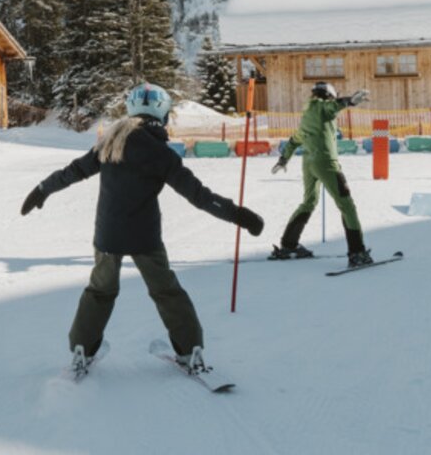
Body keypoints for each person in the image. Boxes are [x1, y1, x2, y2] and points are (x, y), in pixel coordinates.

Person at [20, 82, 264, 375]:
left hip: (107, 235)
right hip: (144, 237)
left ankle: (82, 350)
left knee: (99, 291)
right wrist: (239, 215)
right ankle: (190, 350)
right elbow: (199, 196)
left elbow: (73, 172)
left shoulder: (111, 143)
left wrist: (42, 189)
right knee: (166, 291)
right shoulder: (162, 154)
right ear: (162, 114)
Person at [270, 81, 370, 267]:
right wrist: (351, 101)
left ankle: (289, 245)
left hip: (309, 163)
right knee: (346, 204)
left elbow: (294, 139)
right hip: (325, 162)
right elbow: (335, 105)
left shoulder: (307, 113)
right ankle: (357, 253)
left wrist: (284, 159)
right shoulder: (323, 108)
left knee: (308, 202)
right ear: (329, 95)